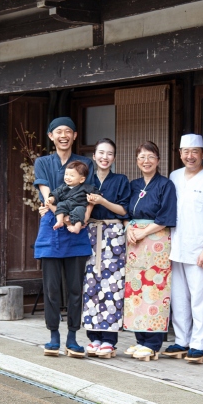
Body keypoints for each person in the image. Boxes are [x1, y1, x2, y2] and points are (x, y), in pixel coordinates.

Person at [34, 117, 94, 357]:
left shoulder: (85, 163)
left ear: (75, 136)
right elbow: (47, 194)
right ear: (51, 136)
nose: (63, 135)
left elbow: (89, 196)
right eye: (58, 131)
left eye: (68, 131)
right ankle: (53, 336)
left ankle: (72, 337)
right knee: (51, 288)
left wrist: (82, 219)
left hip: (77, 231)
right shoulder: (42, 162)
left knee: (75, 288)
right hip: (53, 226)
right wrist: (67, 219)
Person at [165, 134, 203, 362]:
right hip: (175, 246)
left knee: (199, 297)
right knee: (178, 296)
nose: (190, 156)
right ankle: (181, 340)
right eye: (186, 152)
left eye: (194, 151)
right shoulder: (174, 176)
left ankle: (198, 344)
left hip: (199, 248)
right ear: (180, 154)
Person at [123, 141, 177, 360]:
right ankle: (140, 340)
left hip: (156, 240)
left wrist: (143, 232)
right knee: (136, 289)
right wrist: (128, 229)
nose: (146, 161)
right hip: (134, 242)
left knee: (155, 290)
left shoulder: (166, 185)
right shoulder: (133, 185)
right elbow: (124, 211)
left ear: (158, 160)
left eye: (151, 157)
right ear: (137, 161)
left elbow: (166, 217)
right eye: (142, 157)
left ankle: (153, 343)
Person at [82, 139, 131, 357]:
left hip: (113, 234)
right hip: (89, 233)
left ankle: (109, 339)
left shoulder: (121, 180)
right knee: (90, 284)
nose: (105, 157)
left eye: (109, 154)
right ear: (94, 156)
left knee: (113, 285)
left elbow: (123, 210)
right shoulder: (85, 179)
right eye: (101, 153)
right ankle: (93, 337)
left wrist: (102, 201)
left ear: (114, 157)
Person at [46, 160, 100, 234]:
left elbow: (97, 194)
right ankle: (60, 221)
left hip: (79, 206)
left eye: (72, 176)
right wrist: (51, 199)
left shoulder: (86, 188)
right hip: (66, 205)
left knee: (79, 211)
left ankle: (77, 228)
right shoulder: (63, 187)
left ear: (82, 179)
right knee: (60, 205)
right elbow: (55, 194)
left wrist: (92, 197)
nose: (67, 177)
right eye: (66, 174)